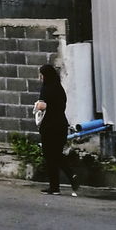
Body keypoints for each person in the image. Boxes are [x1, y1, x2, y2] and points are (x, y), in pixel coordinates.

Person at [34, 63, 78, 196]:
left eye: (41, 75)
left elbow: (42, 106)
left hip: (50, 127)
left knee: (50, 156)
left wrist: (37, 105)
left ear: (45, 75)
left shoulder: (46, 88)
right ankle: (71, 178)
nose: (40, 78)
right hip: (61, 125)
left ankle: (56, 186)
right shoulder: (59, 88)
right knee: (57, 155)